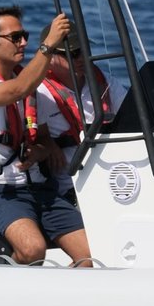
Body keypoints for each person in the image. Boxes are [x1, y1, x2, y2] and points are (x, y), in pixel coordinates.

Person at [0, 5, 94, 267]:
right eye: (15, 37)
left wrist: (42, 150)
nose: (23, 43)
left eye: (25, 36)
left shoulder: (32, 87)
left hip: (40, 189)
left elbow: (43, 138)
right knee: (32, 250)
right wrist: (48, 46)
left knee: (93, 254)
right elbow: (15, 90)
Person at [34, 22, 116, 203]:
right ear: (50, 57)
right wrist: (47, 142)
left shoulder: (103, 81)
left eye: (84, 50)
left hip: (114, 175)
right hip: (70, 188)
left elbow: (133, 116)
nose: (81, 58)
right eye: (73, 54)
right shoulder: (39, 93)